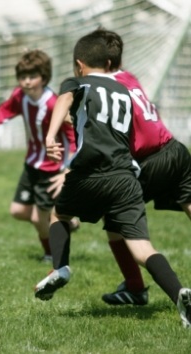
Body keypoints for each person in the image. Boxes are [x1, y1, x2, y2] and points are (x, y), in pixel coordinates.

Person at [33, 31, 191, 328]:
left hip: (95, 173)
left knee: (59, 213)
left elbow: (65, 100)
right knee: (142, 248)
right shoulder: (124, 88)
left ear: (79, 64)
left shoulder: (77, 83)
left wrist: (53, 135)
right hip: (138, 169)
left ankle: (61, 268)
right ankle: (179, 293)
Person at [90, 28, 191, 306]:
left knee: (115, 219)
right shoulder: (129, 76)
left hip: (150, 161)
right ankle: (134, 287)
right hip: (176, 150)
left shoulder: (102, 91)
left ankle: (137, 287)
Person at [0, 49, 78, 262]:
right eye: (23, 77)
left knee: (39, 218)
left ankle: (51, 255)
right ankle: (65, 221)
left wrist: (69, 166)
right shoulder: (20, 97)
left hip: (52, 168)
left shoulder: (53, 104)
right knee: (18, 211)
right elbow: (3, 110)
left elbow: (71, 134)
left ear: (44, 77)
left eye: (32, 77)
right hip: (31, 164)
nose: (27, 82)